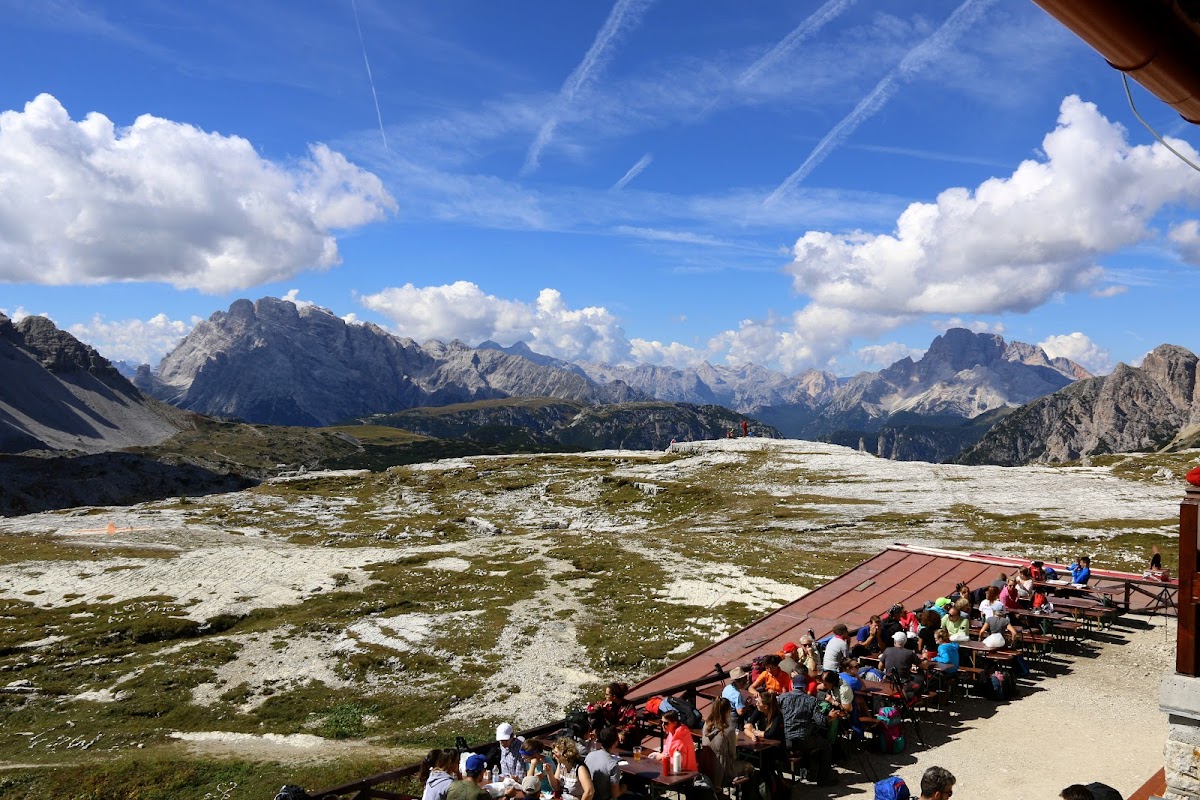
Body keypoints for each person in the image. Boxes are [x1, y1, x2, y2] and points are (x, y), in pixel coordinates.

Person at [778, 687, 837, 786]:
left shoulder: (782, 698)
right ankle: (823, 779)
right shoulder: (811, 700)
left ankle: (806, 771)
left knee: (809, 740)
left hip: (786, 739)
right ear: (804, 688)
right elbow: (820, 721)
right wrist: (831, 717)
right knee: (826, 746)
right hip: (803, 740)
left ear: (793, 685)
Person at [700, 697, 755, 796]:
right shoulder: (728, 730)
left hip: (707, 767)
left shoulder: (706, 725)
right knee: (750, 767)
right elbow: (732, 755)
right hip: (723, 770)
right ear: (728, 711)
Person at [588, 682, 640, 747]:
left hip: (624, 737)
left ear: (614, 697)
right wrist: (598, 708)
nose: (605, 696)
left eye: (607, 695)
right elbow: (590, 708)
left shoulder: (629, 707)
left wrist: (623, 734)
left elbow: (632, 724)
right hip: (611, 734)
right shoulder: (606, 704)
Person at [584, 726, 625, 800]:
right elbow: (615, 794)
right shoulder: (613, 765)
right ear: (615, 742)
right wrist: (623, 788)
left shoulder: (589, 756)